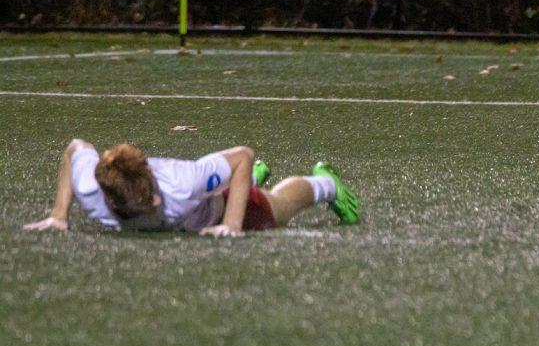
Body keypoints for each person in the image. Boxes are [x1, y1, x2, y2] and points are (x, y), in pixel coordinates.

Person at [22, 138, 359, 236]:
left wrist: (230, 224)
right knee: (237, 176)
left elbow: (242, 155)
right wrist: (58, 214)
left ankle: (326, 184)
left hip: (214, 207)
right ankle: (248, 180)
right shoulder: (89, 186)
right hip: (205, 194)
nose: (156, 199)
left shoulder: (184, 183)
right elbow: (75, 147)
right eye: (146, 201)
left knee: (279, 210)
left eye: (153, 190)